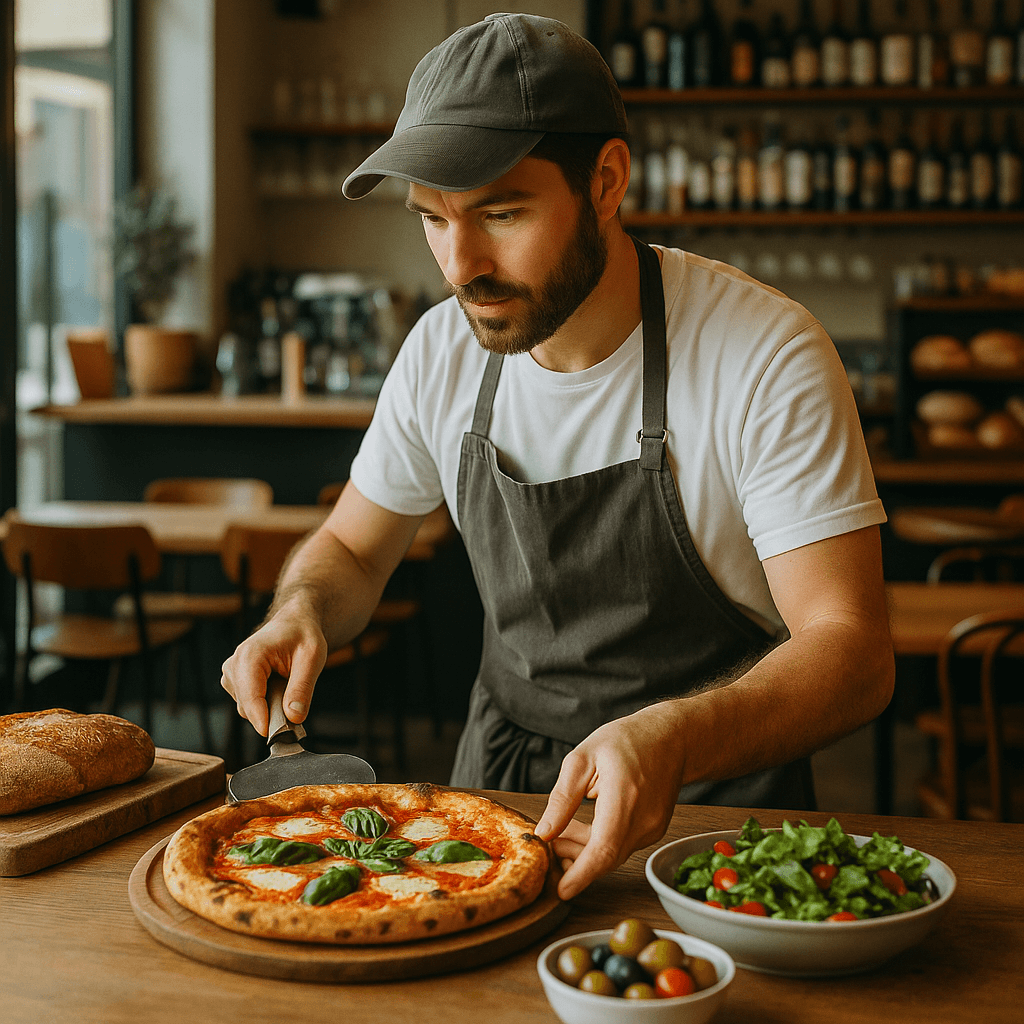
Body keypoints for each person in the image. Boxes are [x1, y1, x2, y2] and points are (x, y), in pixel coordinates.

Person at [221, 13, 894, 901]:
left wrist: (674, 739)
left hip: (716, 814)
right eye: (432, 219)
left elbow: (851, 651)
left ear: (606, 181)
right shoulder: (440, 352)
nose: (461, 265)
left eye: (501, 213)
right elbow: (351, 549)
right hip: (495, 798)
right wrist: (301, 610)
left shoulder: (763, 353)